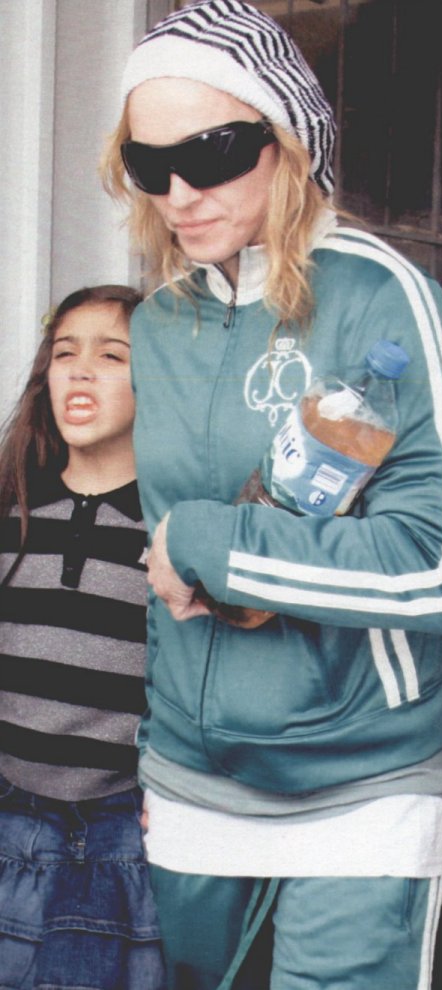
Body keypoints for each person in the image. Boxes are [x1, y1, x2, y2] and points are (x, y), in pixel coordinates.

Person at [102, 2, 442, 988]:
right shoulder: (160, 323)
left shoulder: (382, 297)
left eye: (210, 153)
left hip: (361, 782)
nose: (179, 193)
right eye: (147, 164)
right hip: (192, 788)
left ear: (290, 142)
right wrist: (155, 751)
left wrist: (209, 543)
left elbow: (431, 564)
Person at [0, 285, 166, 990]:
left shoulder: (172, 529)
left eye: (112, 356)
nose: (81, 370)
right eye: (65, 353)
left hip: (124, 838)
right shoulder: (13, 511)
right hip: (11, 821)